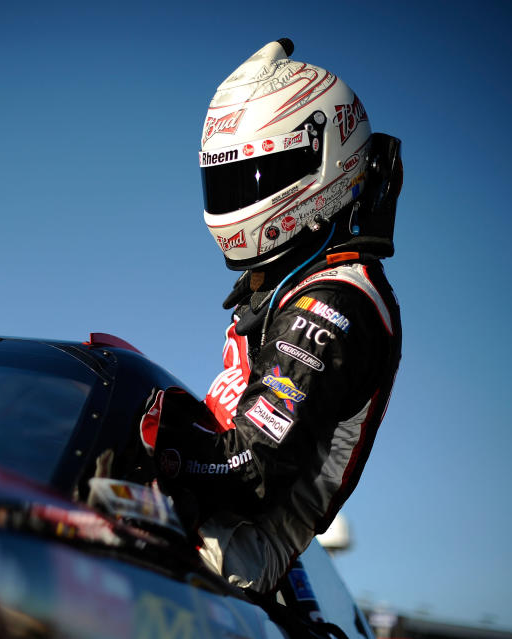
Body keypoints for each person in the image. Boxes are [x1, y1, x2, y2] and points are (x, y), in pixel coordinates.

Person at [142, 38, 403, 594]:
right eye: (227, 181)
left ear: (325, 164)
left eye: (255, 177)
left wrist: (147, 438)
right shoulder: (291, 285)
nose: (238, 199)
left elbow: (248, 468)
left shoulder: (335, 301)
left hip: (236, 553)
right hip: (202, 529)